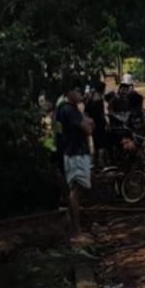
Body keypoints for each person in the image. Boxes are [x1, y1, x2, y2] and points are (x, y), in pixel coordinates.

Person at [56, 86, 94, 236]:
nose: (80, 94)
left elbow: (89, 123)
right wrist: (87, 123)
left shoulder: (70, 108)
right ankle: (76, 229)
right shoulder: (68, 110)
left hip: (73, 152)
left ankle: (74, 223)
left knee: (78, 188)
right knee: (76, 189)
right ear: (68, 93)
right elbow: (89, 129)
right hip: (75, 153)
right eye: (76, 91)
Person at [85, 81, 108, 168]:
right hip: (99, 124)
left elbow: (86, 112)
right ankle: (101, 162)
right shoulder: (99, 100)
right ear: (102, 89)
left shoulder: (90, 99)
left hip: (92, 123)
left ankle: (95, 162)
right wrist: (106, 123)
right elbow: (101, 114)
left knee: (95, 143)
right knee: (101, 143)